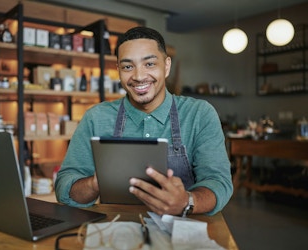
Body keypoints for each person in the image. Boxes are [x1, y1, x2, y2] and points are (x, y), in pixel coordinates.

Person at [55, 26, 233, 216]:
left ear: (166, 66)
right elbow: (65, 187)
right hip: (115, 232)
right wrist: (95, 183)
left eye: (149, 64)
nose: (139, 76)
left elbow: (218, 182)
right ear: (118, 71)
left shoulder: (199, 114)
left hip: (183, 231)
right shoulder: (96, 118)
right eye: (128, 67)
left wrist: (186, 202)